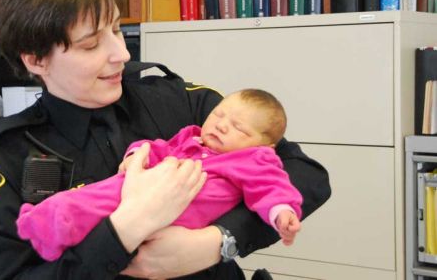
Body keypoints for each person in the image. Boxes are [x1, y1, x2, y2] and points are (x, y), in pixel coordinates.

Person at [0, 0, 331, 280]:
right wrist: (124, 230)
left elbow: (305, 174)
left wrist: (218, 241)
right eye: (91, 44)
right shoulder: (4, 155)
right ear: (36, 59)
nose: (120, 53)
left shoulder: (179, 103)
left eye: (117, 29)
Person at [17, 89, 303, 262]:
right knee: (98, 194)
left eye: (239, 128)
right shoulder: (190, 137)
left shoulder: (255, 159)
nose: (221, 126)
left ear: (267, 146)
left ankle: (50, 228)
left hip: (185, 210)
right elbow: (155, 147)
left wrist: (282, 213)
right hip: (150, 191)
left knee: (101, 204)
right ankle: (45, 220)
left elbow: (272, 189)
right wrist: (135, 155)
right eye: (218, 115)